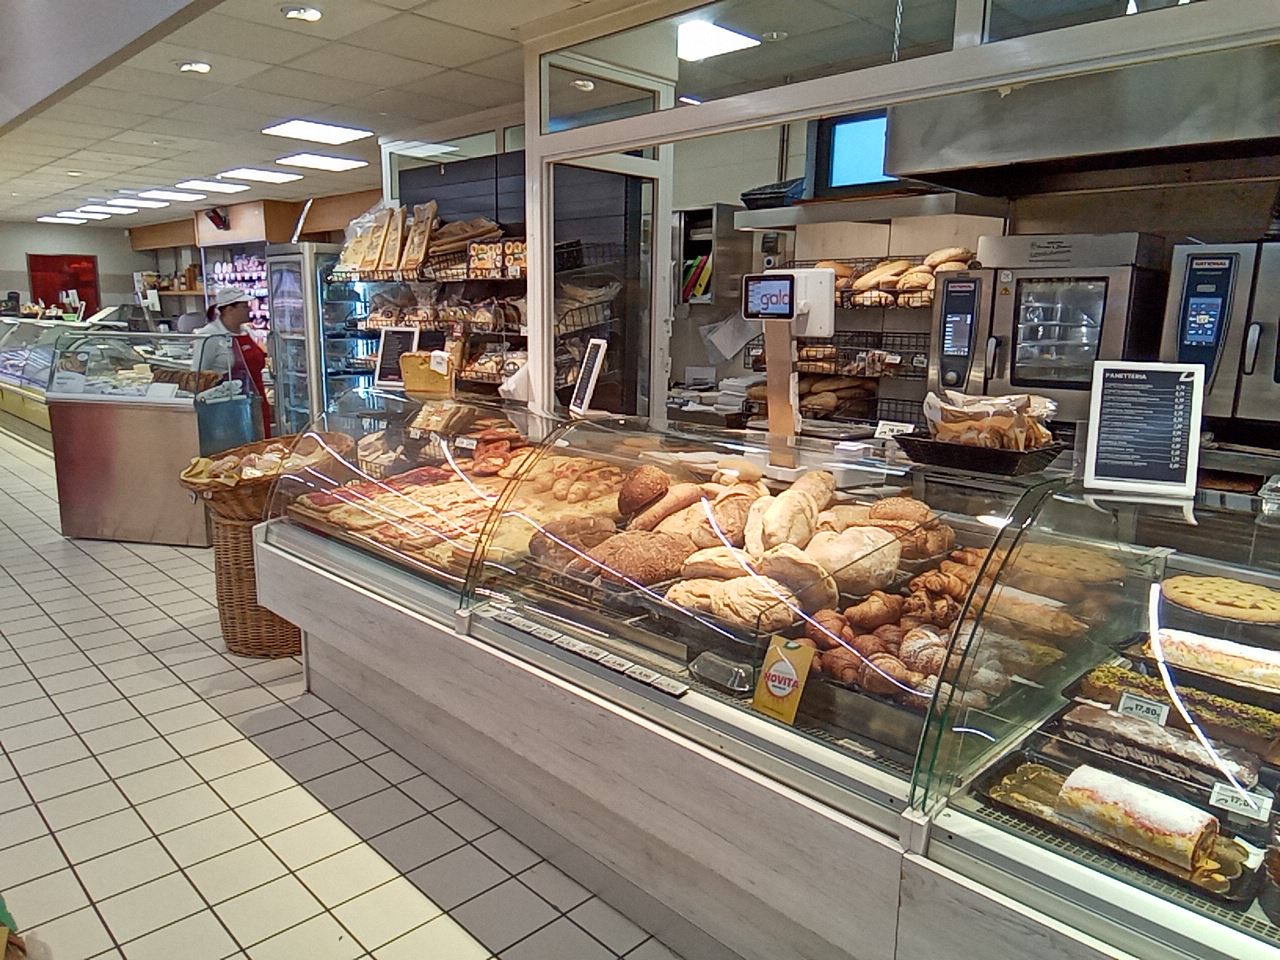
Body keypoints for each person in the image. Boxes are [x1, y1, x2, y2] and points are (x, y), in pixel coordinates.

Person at [193, 286, 273, 437]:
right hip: (227, 406)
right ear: (229, 309)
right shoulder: (209, 336)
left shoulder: (247, 332)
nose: (249, 309)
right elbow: (199, 373)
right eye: (244, 306)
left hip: (256, 399)